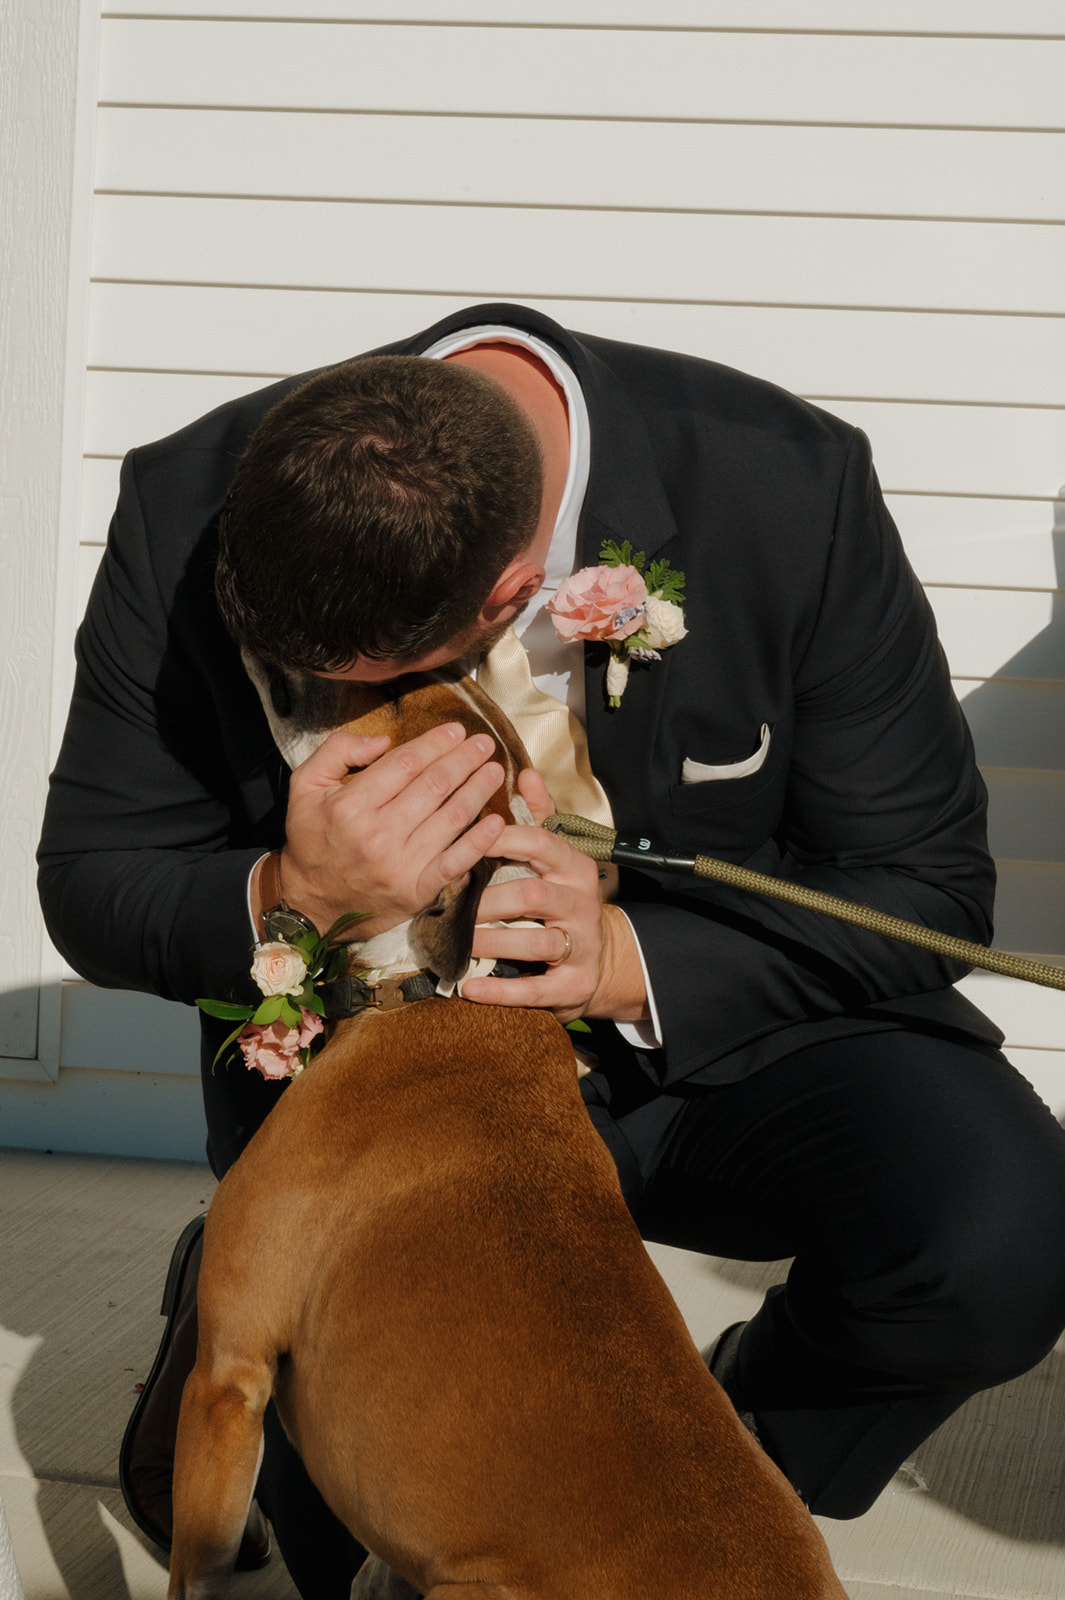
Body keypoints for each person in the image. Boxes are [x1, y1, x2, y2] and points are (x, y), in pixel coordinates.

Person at [38, 302, 1065, 1597]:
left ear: (513, 598)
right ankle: (236, 1283)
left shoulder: (784, 484)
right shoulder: (190, 496)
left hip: (716, 1034)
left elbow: (923, 886)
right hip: (381, 1076)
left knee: (997, 1239)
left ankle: (742, 1445)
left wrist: (628, 955)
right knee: (359, 1542)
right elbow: (93, 879)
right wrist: (287, 888)